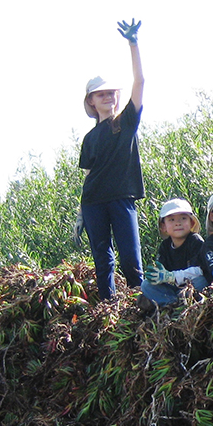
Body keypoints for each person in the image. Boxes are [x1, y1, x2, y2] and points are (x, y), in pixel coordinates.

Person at [79, 19, 146, 301]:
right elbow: (89, 173)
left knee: (131, 257)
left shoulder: (127, 121)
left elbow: (140, 81)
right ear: (91, 101)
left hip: (122, 198)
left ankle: (139, 302)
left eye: (110, 92)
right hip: (93, 201)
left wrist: (133, 44)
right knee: (102, 260)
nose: (107, 96)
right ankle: (109, 306)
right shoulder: (89, 138)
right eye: (100, 94)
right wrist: (81, 213)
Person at [140, 198, 213, 308]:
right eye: (171, 220)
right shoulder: (165, 246)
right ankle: (173, 303)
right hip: (176, 289)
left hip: (191, 287)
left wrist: (172, 276)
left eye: (183, 218)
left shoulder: (195, 241)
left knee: (201, 281)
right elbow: (162, 270)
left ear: (191, 223)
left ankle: (180, 303)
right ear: (163, 226)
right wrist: (157, 275)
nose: (178, 223)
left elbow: (200, 270)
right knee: (146, 285)